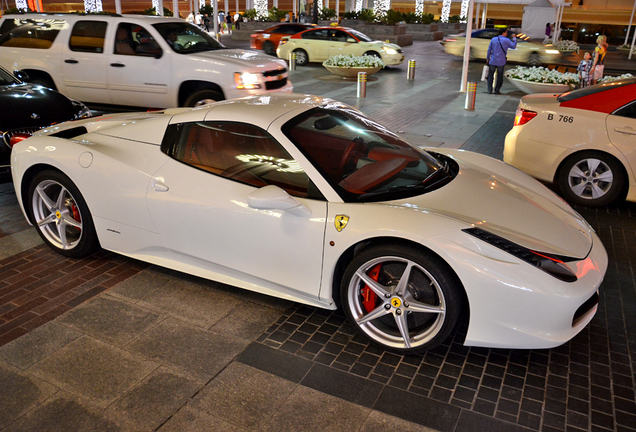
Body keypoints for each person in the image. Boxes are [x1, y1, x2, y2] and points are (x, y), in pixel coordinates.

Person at [486, 27, 517, 95]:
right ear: (503, 32)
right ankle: (497, 90)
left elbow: (489, 49)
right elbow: (513, 46)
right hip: (501, 61)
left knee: (490, 75)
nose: (506, 33)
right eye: (506, 32)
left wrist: (488, 58)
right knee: (500, 77)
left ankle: (489, 90)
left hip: (493, 60)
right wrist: (514, 38)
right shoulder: (507, 40)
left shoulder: (493, 39)